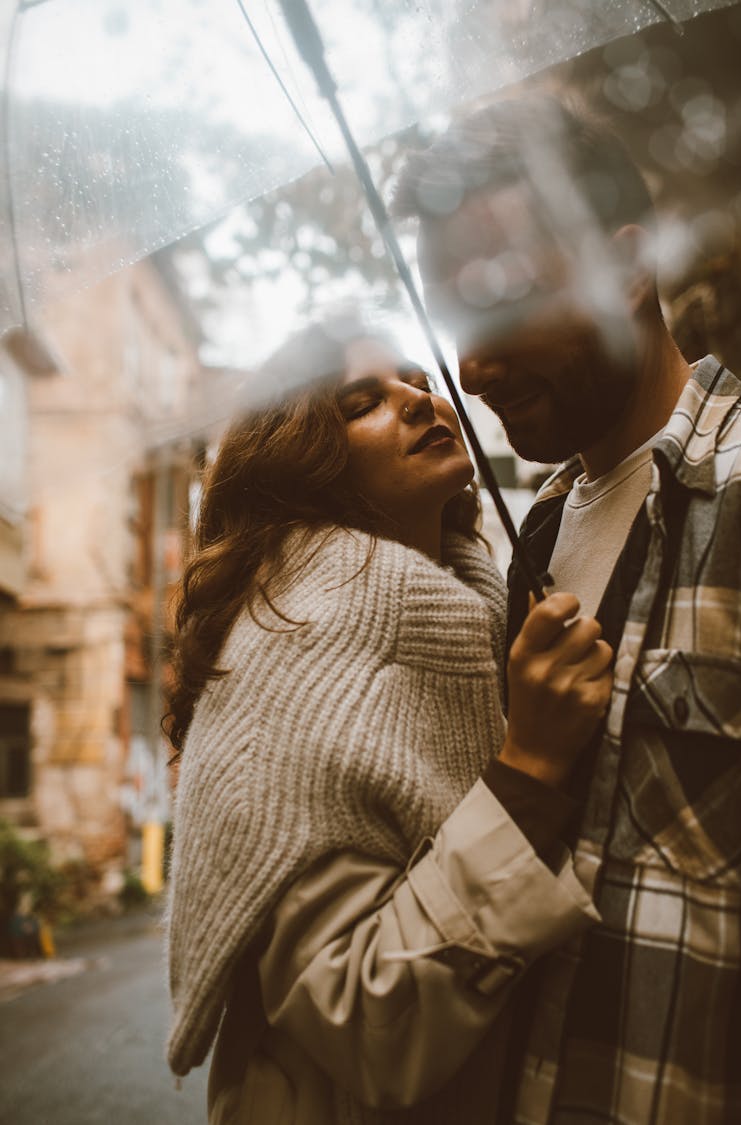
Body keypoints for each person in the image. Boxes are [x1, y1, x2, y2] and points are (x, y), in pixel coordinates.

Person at [395, 92, 741, 1122]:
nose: (472, 368)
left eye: (501, 304)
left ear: (628, 269)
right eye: (457, 322)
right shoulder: (527, 545)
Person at [165, 320, 613, 1124]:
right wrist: (530, 771)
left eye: (413, 378)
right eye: (361, 401)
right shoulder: (294, 643)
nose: (415, 399)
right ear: (300, 461)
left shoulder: (479, 609)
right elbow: (364, 1020)